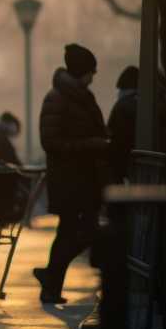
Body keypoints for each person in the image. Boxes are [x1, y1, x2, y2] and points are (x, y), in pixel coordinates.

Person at [34, 43, 111, 304]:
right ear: (82, 71)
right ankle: (51, 277)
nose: (94, 76)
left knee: (68, 232)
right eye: (91, 71)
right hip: (71, 180)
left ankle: (50, 283)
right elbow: (51, 141)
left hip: (81, 179)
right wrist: (93, 145)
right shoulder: (58, 99)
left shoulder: (76, 97)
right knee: (85, 231)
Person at [107, 66, 138, 185]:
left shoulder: (120, 105)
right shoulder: (143, 103)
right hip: (136, 156)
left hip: (120, 157)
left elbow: (110, 130)